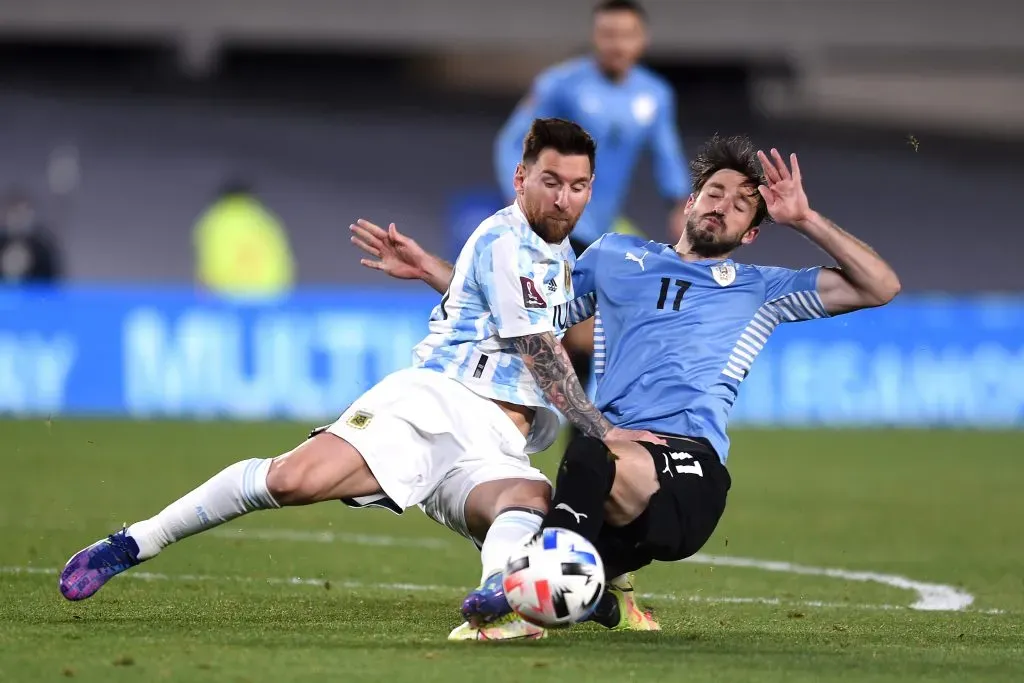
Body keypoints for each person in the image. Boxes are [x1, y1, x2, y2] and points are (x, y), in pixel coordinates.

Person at [57, 118, 661, 642]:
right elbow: (537, 350)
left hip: (495, 445)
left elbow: (495, 307)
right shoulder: (508, 237)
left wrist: (434, 270)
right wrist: (603, 432)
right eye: (550, 182)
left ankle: (496, 604)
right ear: (520, 179)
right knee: (291, 480)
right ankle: (135, 542)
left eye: (578, 187)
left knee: (527, 500)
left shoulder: (550, 250)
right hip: (437, 404)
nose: (564, 200)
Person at [351, 134, 902, 637]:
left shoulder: (763, 288)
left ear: (751, 233)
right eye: (715, 192)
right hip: (614, 450)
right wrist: (433, 271)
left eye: (741, 205)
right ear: (690, 203)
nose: (722, 206)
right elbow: (525, 312)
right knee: (532, 502)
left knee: (587, 462)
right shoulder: (616, 257)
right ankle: (602, 597)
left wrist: (805, 219)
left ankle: (527, 605)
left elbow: (881, 286)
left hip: (688, 465)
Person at [495, 0, 690, 430]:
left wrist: (680, 206)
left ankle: (578, 447)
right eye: (607, 34)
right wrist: (527, 202)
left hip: (600, 227)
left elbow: (667, 155)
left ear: (642, 40)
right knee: (559, 337)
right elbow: (511, 142)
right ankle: (559, 439)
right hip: (554, 227)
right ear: (594, 37)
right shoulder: (561, 85)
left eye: (626, 35)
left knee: (587, 340)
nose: (616, 44)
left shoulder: (654, 95)